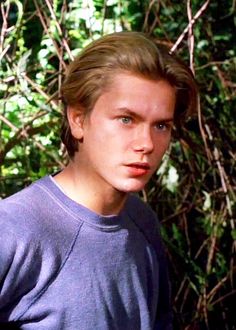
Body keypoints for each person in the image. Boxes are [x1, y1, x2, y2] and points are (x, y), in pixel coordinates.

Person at [0, 31, 198, 329]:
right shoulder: (14, 230)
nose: (146, 143)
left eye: (160, 125)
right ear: (78, 119)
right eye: (126, 119)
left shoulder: (142, 222)